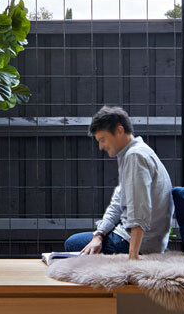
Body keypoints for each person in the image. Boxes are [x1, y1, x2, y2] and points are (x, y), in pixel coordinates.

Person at [64, 106, 174, 259]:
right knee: (86, 242)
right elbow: (117, 204)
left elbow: (140, 210)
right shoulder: (134, 153)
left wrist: (133, 256)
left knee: (73, 244)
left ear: (119, 130)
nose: (101, 147)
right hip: (134, 238)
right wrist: (99, 235)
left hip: (139, 244)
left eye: (103, 139)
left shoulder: (135, 156)